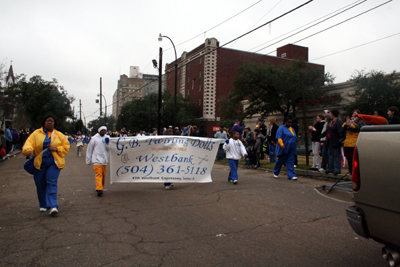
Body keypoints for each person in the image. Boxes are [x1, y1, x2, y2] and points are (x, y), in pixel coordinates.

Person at [22, 115, 70, 216]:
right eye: (47, 121)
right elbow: (28, 143)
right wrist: (28, 151)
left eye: (51, 121)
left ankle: (53, 205)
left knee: (51, 182)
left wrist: (56, 149)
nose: (49, 123)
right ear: (44, 123)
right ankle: (43, 204)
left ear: (54, 124)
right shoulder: (36, 134)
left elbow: (66, 146)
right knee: (40, 184)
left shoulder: (59, 135)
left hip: (53, 162)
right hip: (39, 163)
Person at [86, 126, 110, 197]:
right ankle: (99, 189)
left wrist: (108, 143)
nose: (104, 132)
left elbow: (109, 148)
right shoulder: (94, 138)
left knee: (103, 175)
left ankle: (101, 187)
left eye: (105, 131)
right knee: (98, 174)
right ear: (99, 131)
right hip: (97, 160)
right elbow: (89, 149)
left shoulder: (107, 137)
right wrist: (88, 160)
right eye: (102, 130)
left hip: (104, 160)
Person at [342, 109, 366, 174]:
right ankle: (350, 171)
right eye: (353, 114)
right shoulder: (350, 122)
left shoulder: (361, 122)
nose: (354, 115)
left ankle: (355, 171)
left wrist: (350, 125)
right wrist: (347, 124)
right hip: (347, 143)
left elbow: (357, 128)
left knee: (354, 159)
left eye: (356, 114)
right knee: (349, 158)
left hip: (355, 143)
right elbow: (343, 129)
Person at [322, 109, 343, 176]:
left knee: (336, 155)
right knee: (330, 154)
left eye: (331, 114)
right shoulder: (331, 122)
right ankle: (330, 168)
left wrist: (339, 140)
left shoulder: (338, 122)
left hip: (335, 141)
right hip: (329, 140)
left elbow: (340, 132)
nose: (330, 115)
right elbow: (327, 131)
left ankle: (337, 169)